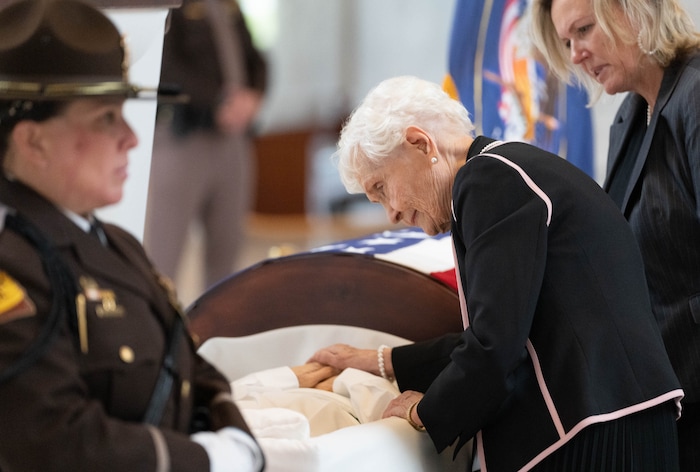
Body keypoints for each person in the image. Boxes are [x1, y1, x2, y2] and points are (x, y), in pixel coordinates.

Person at [308, 75, 683, 471]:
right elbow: (513, 333)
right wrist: (381, 360)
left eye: (382, 188)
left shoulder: (487, 179)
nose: (392, 213)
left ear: (420, 144)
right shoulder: (510, 167)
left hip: (597, 437)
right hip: (626, 425)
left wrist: (423, 412)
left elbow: (495, 346)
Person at [0, 1, 263, 470]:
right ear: (32, 141)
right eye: (105, 118)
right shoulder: (12, 261)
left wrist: (233, 436)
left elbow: (188, 365)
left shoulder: (117, 244)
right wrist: (206, 460)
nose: (131, 137)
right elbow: (53, 440)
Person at [529, 0, 700, 468]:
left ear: (635, 10)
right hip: (662, 407)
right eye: (566, 42)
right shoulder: (630, 114)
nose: (576, 55)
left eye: (584, 30)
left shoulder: (697, 93)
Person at [144, 0, 267, 291]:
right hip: (183, 139)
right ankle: (161, 333)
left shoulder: (227, 5)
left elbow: (256, 59)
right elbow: (163, 62)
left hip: (232, 142)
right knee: (163, 259)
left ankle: (217, 332)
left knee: (227, 255)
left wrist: (253, 96)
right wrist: (218, 101)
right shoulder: (168, 5)